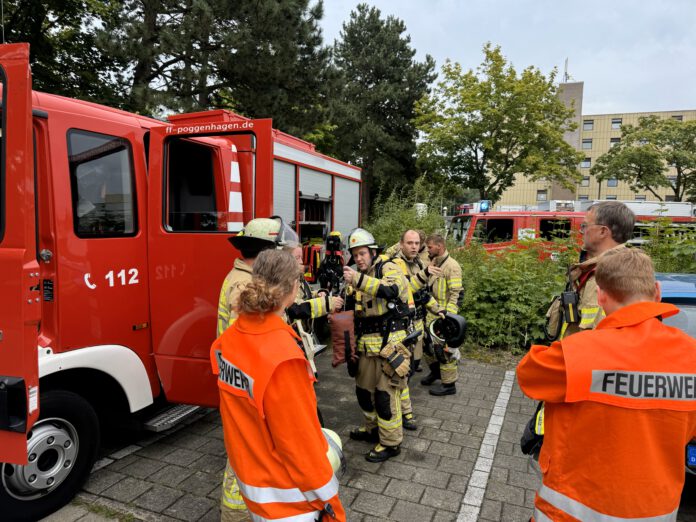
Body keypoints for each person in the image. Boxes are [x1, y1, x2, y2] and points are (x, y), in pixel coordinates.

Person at [517, 248, 696, 521]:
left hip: (571, 509)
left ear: (600, 296)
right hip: (657, 510)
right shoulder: (692, 356)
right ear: (657, 292)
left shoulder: (578, 354)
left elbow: (528, 374)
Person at [211, 249, 346, 521]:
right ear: (294, 288)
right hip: (287, 501)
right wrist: (331, 505)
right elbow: (299, 443)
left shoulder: (226, 342)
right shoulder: (282, 358)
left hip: (251, 483)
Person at [343, 228, 412, 462]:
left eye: (362, 253)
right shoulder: (355, 276)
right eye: (355, 255)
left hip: (388, 348)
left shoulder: (388, 267)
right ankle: (372, 429)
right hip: (365, 348)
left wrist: (358, 280)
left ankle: (391, 443)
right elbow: (350, 310)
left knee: (385, 397)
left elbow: (391, 290)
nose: (359, 258)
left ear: (373, 252)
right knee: (363, 393)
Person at [554, 201, 636, 339]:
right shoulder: (594, 268)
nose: (581, 231)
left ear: (603, 231)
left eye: (585, 226)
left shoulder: (613, 274)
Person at [395, 230, 443, 430]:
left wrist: (437, 308)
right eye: (409, 243)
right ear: (401, 244)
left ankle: (403, 409)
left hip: (417, 327)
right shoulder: (394, 265)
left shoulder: (419, 263)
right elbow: (405, 289)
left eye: (416, 243)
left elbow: (422, 294)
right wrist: (424, 275)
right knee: (401, 373)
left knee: (412, 369)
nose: (414, 246)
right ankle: (403, 413)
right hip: (401, 329)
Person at [415, 233, 463, 396]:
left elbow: (456, 294)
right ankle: (436, 373)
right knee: (427, 347)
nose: (427, 250)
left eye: (429, 247)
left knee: (444, 351)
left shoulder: (452, 266)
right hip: (430, 313)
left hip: (443, 316)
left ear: (439, 247)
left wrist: (449, 318)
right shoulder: (433, 262)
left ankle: (449, 384)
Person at [284, 243, 344, 372]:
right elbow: (296, 309)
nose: (301, 261)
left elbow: (307, 294)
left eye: (301, 257)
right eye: (297, 258)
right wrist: (328, 303)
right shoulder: (285, 282)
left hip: (304, 335)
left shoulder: (298, 278)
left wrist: (320, 293)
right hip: (293, 337)